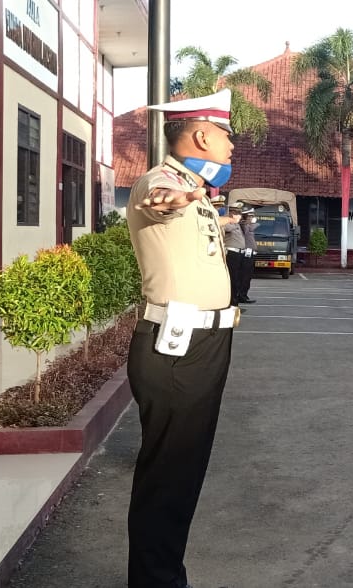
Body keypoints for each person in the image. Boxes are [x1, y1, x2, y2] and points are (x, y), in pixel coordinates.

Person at [124, 89, 240, 587]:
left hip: (202, 345)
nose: (232, 147)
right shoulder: (164, 180)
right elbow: (159, 202)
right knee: (168, 477)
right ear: (200, 134)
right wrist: (186, 195)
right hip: (178, 348)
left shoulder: (194, 187)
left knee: (182, 474)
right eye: (226, 136)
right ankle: (156, 581)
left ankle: (162, 575)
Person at [221, 202, 246, 307]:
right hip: (231, 253)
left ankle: (235, 300)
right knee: (232, 278)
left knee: (238, 278)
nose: (239, 214)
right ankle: (231, 302)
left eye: (239, 212)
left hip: (239, 253)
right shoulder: (226, 220)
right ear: (231, 212)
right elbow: (226, 229)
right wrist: (233, 222)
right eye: (236, 212)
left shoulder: (236, 223)